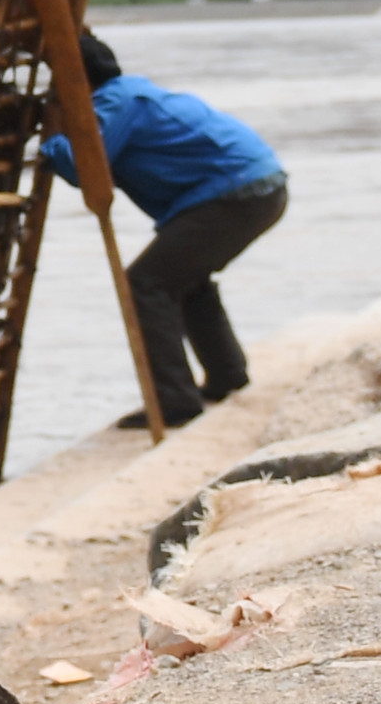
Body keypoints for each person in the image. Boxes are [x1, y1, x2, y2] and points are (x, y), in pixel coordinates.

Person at [41, 28, 287, 430]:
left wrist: (52, 135)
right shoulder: (129, 94)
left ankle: (174, 400)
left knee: (145, 283)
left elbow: (83, 167)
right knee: (182, 277)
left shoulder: (114, 101)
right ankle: (227, 375)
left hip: (238, 192)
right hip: (255, 188)